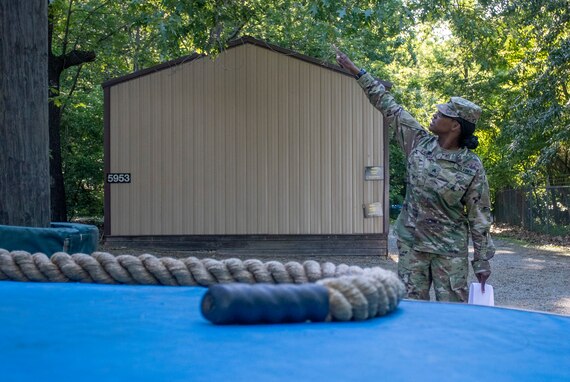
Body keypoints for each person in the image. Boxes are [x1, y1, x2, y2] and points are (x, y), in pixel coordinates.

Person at [335, 49, 494, 302]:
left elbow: (480, 216)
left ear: (455, 126)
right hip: (412, 246)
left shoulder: (471, 166)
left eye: (442, 114)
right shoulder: (418, 142)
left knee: (452, 316)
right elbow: (389, 106)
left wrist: (482, 261)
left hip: (449, 252)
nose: (435, 114)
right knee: (410, 311)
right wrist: (358, 72)